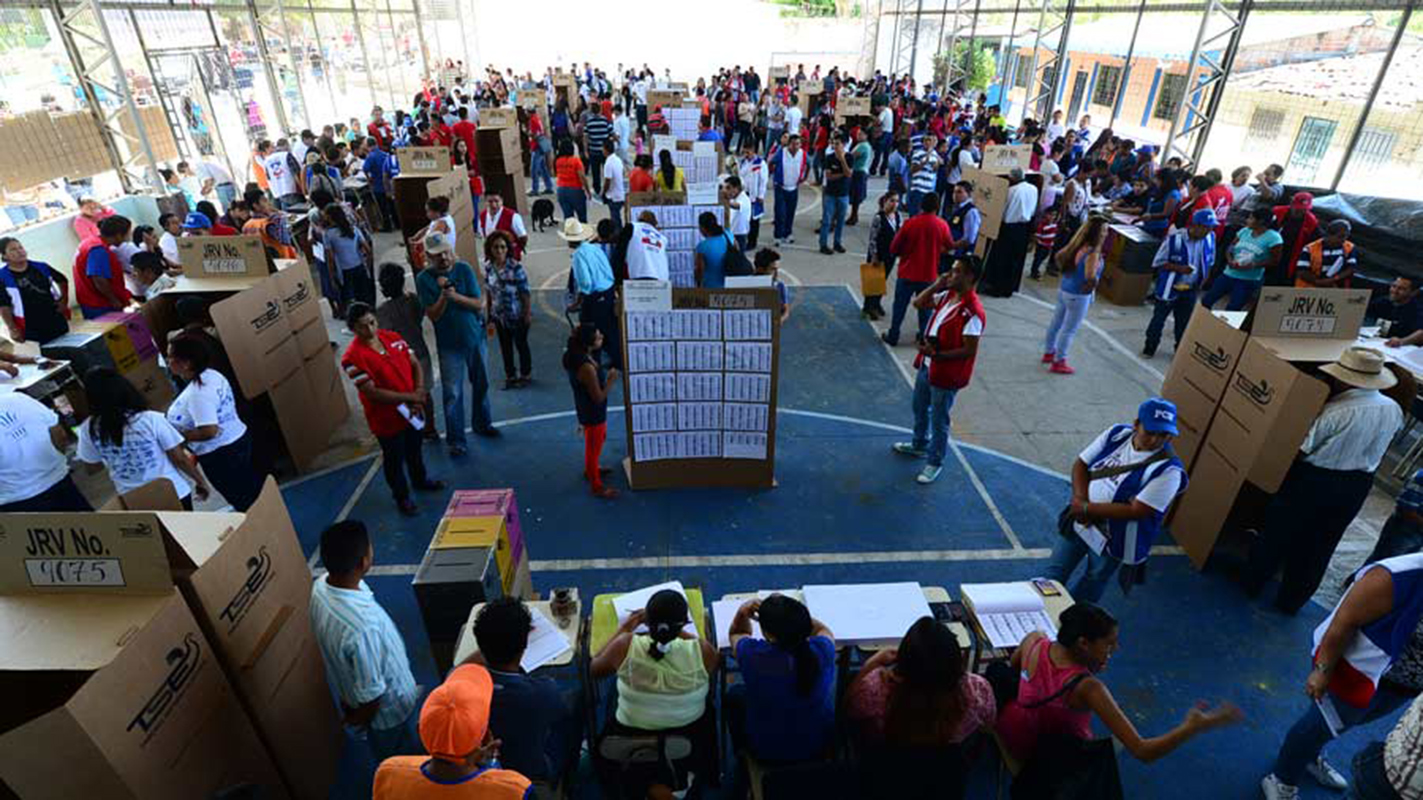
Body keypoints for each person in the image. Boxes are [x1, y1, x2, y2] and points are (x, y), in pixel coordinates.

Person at [1245, 347, 1405, 614]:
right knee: (1321, 546)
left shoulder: (1334, 410)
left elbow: (1302, 449)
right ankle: (1291, 601)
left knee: (1278, 533)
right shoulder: (1393, 409)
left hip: (1315, 480)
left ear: (1343, 378)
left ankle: (1252, 583)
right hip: (1358, 485)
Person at [1260, 553, 1423, 800]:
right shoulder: (1395, 576)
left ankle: (1308, 758)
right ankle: (1282, 779)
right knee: (1319, 725)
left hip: (1404, 685)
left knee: (1344, 724)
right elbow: (1344, 621)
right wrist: (1323, 670)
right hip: (1358, 671)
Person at [997, 603, 1241, 765]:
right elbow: (1143, 751)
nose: (1115, 649)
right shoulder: (1089, 688)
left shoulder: (1034, 640)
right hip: (1050, 756)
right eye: (1109, 644)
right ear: (1083, 643)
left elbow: (1015, 671)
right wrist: (1192, 727)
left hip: (1013, 729)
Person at [1044, 398, 1188, 602]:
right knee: (1053, 574)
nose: (1156, 440)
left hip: (1112, 538)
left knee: (1093, 579)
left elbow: (1137, 511)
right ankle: (1039, 610)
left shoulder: (1169, 471)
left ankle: (1071, 622)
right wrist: (1080, 499)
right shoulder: (1116, 434)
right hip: (1080, 521)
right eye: (1150, 432)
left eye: (1164, 435)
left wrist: (1086, 508)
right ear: (1136, 424)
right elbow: (1081, 464)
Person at [311, 520, 424, 762]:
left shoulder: (320, 587)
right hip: (392, 715)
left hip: (349, 689)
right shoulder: (363, 627)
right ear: (363, 562)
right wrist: (359, 719)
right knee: (404, 761)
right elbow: (372, 695)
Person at [589, 588, 719, 798]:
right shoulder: (703, 651)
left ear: (647, 622)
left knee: (615, 692)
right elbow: (707, 658)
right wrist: (677, 631)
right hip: (686, 736)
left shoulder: (625, 645)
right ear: (684, 623)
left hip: (630, 736)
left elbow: (595, 666)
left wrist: (627, 626)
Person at [461, 598, 580, 788]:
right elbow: (558, 708)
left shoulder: (460, 686)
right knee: (575, 700)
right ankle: (572, 770)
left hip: (483, 770)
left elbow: (461, 669)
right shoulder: (543, 692)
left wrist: (492, 643)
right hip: (534, 772)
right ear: (524, 644)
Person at [342, 302, 444, 515]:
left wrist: (418, 392)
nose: (370, 329)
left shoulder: (392, 337)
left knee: (415, 447)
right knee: (394, 458)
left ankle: (420, 479)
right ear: (353, 329)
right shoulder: (351, 359)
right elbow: (373, 393)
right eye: (362, 326)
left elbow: (414, 363)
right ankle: (402, 497)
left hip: (412, 410)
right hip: (386, 419)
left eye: (372, 322)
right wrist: (412, 397)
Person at [891, 258, 984, 484]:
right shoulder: (947, 298)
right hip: (928, 365)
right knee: (919, 406)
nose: (950, 275)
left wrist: (938, 355)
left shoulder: (972, 312)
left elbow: (968, 350)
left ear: (970, 277)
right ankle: (919, 444)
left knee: (939, 419)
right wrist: (936, 284)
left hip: (946, 373)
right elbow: (919, 303)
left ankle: (935, 461)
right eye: (951, 271)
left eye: (956, 272)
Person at [847, 616, 994, 749]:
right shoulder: (978, 691)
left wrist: (873, 662)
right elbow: (988, 725)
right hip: (945, 766)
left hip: (888, 764)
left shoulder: (874, 689)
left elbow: (850, 708)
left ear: (902, 661)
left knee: (851, 677)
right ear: (955, 661)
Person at [725, 594, 836, 767]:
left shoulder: (754, 657)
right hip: (818, 745)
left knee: (735, 695)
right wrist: (796, 618)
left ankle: (742, 756)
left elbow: (738, 633)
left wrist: (742, 612)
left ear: (769, 635)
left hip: (767, 751)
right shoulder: (823, 650)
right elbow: (824, 630)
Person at [76, 366, 209, 509]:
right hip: (171, 492)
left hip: (133, 500)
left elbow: (92, 467)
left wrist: (116, 454)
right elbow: (179, 458)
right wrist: (200, 481)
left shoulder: (88, 428)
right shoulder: (150, 419)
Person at [415, 231, 498, 457]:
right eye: (437, 255)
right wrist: (443, 296)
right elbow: (433, 314)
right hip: (449, 346)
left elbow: (478, 304)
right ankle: (456, 440)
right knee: (452, 393)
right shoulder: (423, 279)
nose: (443, 258)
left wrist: (454, 296)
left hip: (474, 338)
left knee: (481, 384)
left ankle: (483, 423)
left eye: (445, 252)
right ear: (428, 258)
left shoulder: (464, 269)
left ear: (451, 250)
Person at [166, 335, 265, 512]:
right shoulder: (212, 375)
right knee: (251, 490)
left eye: (171, 357)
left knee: (243, 498)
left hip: (222, 455)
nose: (167, 361)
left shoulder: (198, 394)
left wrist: (177, 436)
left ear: (186, 363)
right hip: (236, 440)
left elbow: (209, 431)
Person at [0, 386, 90, 512]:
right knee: (86, 528)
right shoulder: (19, 399)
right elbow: (59, 434)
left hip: (16, 500)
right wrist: (56, 462)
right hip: (59, 481)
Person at [883, 192, 953, 347]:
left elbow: (894, 247)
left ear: (922, 205)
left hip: (907, 272)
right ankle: (923, 336)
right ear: (937, 207)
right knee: (925, 308)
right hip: (928, 274)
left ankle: (894, 335)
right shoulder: (942, 225)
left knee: (899, 306)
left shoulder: (910, 223)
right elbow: (949, 246)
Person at [1143, 209, 1215, 358]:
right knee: (1159, 320)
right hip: (1171, 287)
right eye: (1206, 227)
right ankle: (1150, 347)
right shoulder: (1174, 239)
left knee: (1183, 323)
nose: (1210, 230)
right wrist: (1180, 269)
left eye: (1211, 227)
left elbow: (1210, 261)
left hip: (1190, 289)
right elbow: (1158, 263)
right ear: (1195, 225)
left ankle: (1179, 351)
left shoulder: (1210, 238)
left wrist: (1204, 280)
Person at [375, 263, 436, 436]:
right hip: (421, 353)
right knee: (424, 393)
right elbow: (420, 316)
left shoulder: (382, 312)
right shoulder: (413, 300)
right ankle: (430, 428)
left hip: (399, 361)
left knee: (402, 398)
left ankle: (418, 425)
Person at [1042, 214, 1107, 375]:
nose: (1106, 233)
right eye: (1104, 230)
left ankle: (1049, 352)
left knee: (1056, 322)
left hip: (1065, 288)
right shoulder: (1093, 252)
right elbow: (1090, 276)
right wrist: (1091, 286)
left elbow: (1058, 256)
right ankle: (1059, 361)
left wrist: (1066, 272)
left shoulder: (1077, 244)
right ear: (1098, 233)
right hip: (1078, 294)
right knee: (1069, 329)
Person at [563, 323, 620, 499]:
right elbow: (598, 397)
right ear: (589, 342)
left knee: (595, 439)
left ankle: (592, 468)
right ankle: (596, 485)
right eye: (598, 336)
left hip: (584, 406)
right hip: (593, 411)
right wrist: (611, 380)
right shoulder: (586, 368)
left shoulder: (578, 355)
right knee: (594, 446)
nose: (601, 336)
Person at [563, 218, 621, 370]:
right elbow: (608, 271)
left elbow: (586, 284)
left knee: (590, 334)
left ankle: (593, 364)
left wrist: (577, 302)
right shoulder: (594, 248)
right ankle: (618, 361)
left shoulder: (578, 256)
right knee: (609, 329)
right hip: (607, 291)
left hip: (595, 297)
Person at [1203, 207, 1281, 311]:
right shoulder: (1244, 231)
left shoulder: (1274, 238)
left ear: (1260, 221)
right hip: (1229, 274)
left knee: (1233, 308)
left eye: (1251, 218)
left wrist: (1254, 265)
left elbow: (1275, 260)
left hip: (1248, 279)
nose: (1247, 220)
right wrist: (1229, 259)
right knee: (1207, 300)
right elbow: (1231, 247)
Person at [484, 232, 533, 390]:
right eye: (496, 247)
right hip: (500, 315)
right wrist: (490, 314)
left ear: (508, 249)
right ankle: (510, 376)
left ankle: (525, 374)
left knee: (521, 344)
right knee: (505, 347)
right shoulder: (489, 267)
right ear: (490, 249)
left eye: (502, 247)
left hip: (516, 314)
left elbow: (525, 293)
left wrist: (526, 314)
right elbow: (489, 292)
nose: (499, 251)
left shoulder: (516, 267)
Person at [0, 236, 68, 344]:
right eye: (13, 249)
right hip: (29, 327)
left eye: (20, 247)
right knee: (45, 356)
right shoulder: (2, 277)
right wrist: (12, 328)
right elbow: (4, 306)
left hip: (55, 319)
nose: (20, 251)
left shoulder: (41, 267)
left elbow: (62, 280)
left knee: (67, 347)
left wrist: (64, 301)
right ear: (4, 256)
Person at [983, 167, 1037, 297]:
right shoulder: (1033, 189)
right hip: (1024, 227)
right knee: (1015, 259)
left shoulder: (1010, 191)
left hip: (1009, 227)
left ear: (1012, 178)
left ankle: (998, 288)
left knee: (1003, 259)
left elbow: (1003, 211)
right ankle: (1010, 287)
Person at [73, 214, 133, 319]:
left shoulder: (90, 242)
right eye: (127, 234)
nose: (127, 238)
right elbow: (99, 279)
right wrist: (113, 300)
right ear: (119, 235)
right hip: (100, 305)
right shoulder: (98, 250)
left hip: (91, 302)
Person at [324, 203, 374, 309]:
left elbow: (330, 259)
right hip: (359, 266)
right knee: (364, 297)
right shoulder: (353, 229)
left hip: (344, 271)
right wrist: (367, 266)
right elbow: (368, 250)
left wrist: (332, 277)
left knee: (349, 301)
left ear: (329, 217)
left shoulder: (328, 234)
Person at [863, 191, 903, 319]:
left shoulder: (898, 216)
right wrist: (874, 255)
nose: (894, 204)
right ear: (885, 201)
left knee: (882, 281)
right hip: (878, 254)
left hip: (890, 255)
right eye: (892, 200)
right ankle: (868, 307)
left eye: (897, 201)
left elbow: (900, 234)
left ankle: (876, 303)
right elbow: (872, 239)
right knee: (873, 282)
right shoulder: (878, 217)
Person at [1271, 191, 1319, 286]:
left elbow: (1314, 241)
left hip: (1291, 254)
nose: (1300, 212)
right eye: (1298, 208)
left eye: (1304, 209)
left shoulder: (1311, 221)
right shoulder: (1277, 212)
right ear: (1291, 204)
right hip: (1271, 249)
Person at [1295, 219, 1357, 289]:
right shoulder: (1309, 249)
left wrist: (1334, 279)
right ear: (1329, 235)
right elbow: (1302, 272)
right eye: (1340, 236)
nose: (1344, 239)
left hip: (1333, 289)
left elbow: (1351, 268)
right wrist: (1318, 282)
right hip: (1308, 289)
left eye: (1346, 236)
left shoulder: (1349, 247)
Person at [771, 134, 807, 244]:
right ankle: (778, 235)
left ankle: (788, 233)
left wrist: (804, 177)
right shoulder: (781, 152)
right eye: (793, 144)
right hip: (781, 187)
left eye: (798, 144)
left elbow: (808, 164)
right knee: (780, 212)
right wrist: (775, 177)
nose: (795, 147)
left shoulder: (803, 154)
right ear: (789, 144)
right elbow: (772, 162)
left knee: (790, 212)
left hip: (794, 187)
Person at [477, 193, 529, 262]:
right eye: (490, 202)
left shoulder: (513, 216)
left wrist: (515, 250)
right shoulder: (482, 217)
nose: (493, 205)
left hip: (511, 259)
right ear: (485, 202)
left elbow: (523, 237)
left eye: (496, 201)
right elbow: (484, 237)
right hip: (493, 258)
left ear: (502, 201)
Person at [363, 137, 399, 232]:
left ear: (367, 146)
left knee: (383, 208)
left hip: (378, 185)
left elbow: (365, 169)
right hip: (389, 184)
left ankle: (387, 227)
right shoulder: (385, 154)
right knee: (392, 206)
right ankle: (397, 223)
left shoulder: (370, 157)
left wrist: (369, 179)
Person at [1376, 276, 1423, 347]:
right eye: (1394, 286)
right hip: (1381, 341)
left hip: (1404, 348)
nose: (1394, 291)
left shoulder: (1418, 310)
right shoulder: (1383, 301)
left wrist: (1402, 341)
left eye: (1401, 289)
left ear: (1414, 292)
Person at [694, 212, 735, 289]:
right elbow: (737, 249)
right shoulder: (728, 235)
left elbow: (699, 270)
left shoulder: (703, 247)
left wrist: (698, 286)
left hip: (712, 287)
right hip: (731, 284)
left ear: (702, 228)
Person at [626, 211, 670, 282]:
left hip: (639, 275)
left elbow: (620, 253)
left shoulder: (633, 227)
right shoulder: (662, 238)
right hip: (662, 279)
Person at [553, 140, 590, 223]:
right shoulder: (576, 161)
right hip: (575, 189)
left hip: (561, 190)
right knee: (582, 217)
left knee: (568, 218)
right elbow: (582, 177)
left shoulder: (558, 161)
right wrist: (588, 191)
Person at [906, 132, 940, 216]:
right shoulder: (917, 153)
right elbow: (912, 170)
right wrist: (923, 164)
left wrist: (936, 165)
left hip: (928, 189)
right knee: (915, 214)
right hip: (918, 188)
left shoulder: (935, 154)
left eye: (931, 141)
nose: (928, 143)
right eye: (926, 140)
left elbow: (934, 170)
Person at [601, 140, 626, 232]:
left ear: (606, 150)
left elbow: (608, 180)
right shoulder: (617, 159)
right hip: (620, 193)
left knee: (615, 219)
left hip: (613, 195)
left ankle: (618, 236)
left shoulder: (608, 163)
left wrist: (603, 192)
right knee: (616, 217)